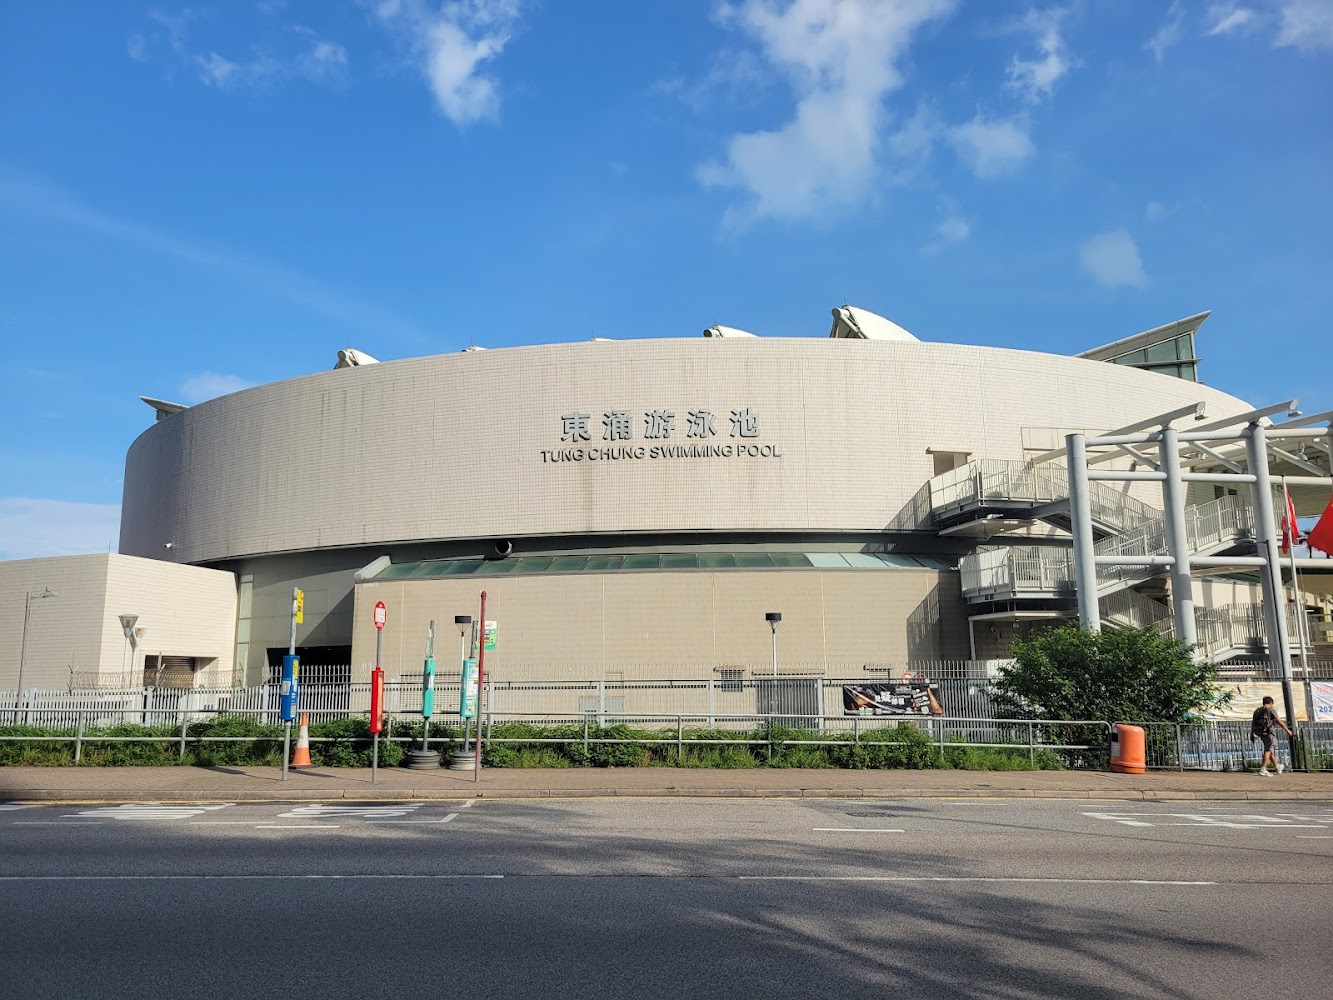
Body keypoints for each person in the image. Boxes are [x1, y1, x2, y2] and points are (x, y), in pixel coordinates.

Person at [1250, 696, 1293, 776]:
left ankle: (1277, 766)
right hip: (1269, 733)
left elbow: (1253, 723)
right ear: (1270, 703)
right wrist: (1287, 730)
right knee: (1268, 750)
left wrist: (1252, 734)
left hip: (1261, 733)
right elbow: (1279, 721)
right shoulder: (1270, 710)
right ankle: (1263, 769)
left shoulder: (1257, 711)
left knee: (1270, 750)